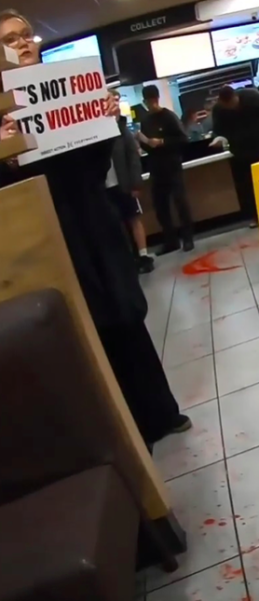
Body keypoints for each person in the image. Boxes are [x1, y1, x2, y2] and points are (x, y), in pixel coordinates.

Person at [0, 10, 190, 445]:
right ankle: (123, 425)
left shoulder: (67, 88)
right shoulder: (3, 113)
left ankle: (161, 410)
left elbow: (94, 162)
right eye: (12, 38)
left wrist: (104, 120)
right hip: (45, 230)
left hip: (94, 218)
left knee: (126, 313)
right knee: (84, 329)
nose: (25, 42)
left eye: (28, 33)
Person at [211, 85, 259, 228]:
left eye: (232, 104)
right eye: (227, 106)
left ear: (235, 97)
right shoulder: (219, 109)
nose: (230, 107)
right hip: (240, 150)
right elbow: (218, 130)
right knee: (248, 186)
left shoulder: (252, 97)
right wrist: (218, 138)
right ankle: (257, 216)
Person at [137, 84, 194, 254]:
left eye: (152, 100)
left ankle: (188, 238)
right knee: (160, 206)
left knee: (180, 202)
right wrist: (144, 143)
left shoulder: (169, 116)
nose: (150, 104)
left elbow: (183, 139)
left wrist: (162, 142)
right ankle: (171, 240)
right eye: (147, 102)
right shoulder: (145, 121)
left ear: (157, 99)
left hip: (172, 164)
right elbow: (145, 144)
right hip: (156, 166)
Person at [104, 97, 154, 274]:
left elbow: (133, 158)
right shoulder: (97, 135)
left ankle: (143, 254)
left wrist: (135, 183)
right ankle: (127, 258)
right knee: (115, 223)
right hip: (105, 187)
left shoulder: (122, 132)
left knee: (133, 218)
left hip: (123, 182)